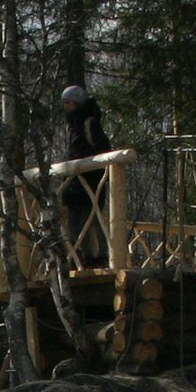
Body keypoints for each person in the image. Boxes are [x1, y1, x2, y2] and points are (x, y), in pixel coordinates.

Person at [60, 85, 113, 266]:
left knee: (92, 218)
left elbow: (104, 150)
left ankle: (101, 256)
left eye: (70, 102)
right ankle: (81, 256)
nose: (67, 106)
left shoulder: (89, 122)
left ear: (78, 103)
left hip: (91, 178)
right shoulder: (70, 125)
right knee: (74, 220)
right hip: (74, 180)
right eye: (65, 103)